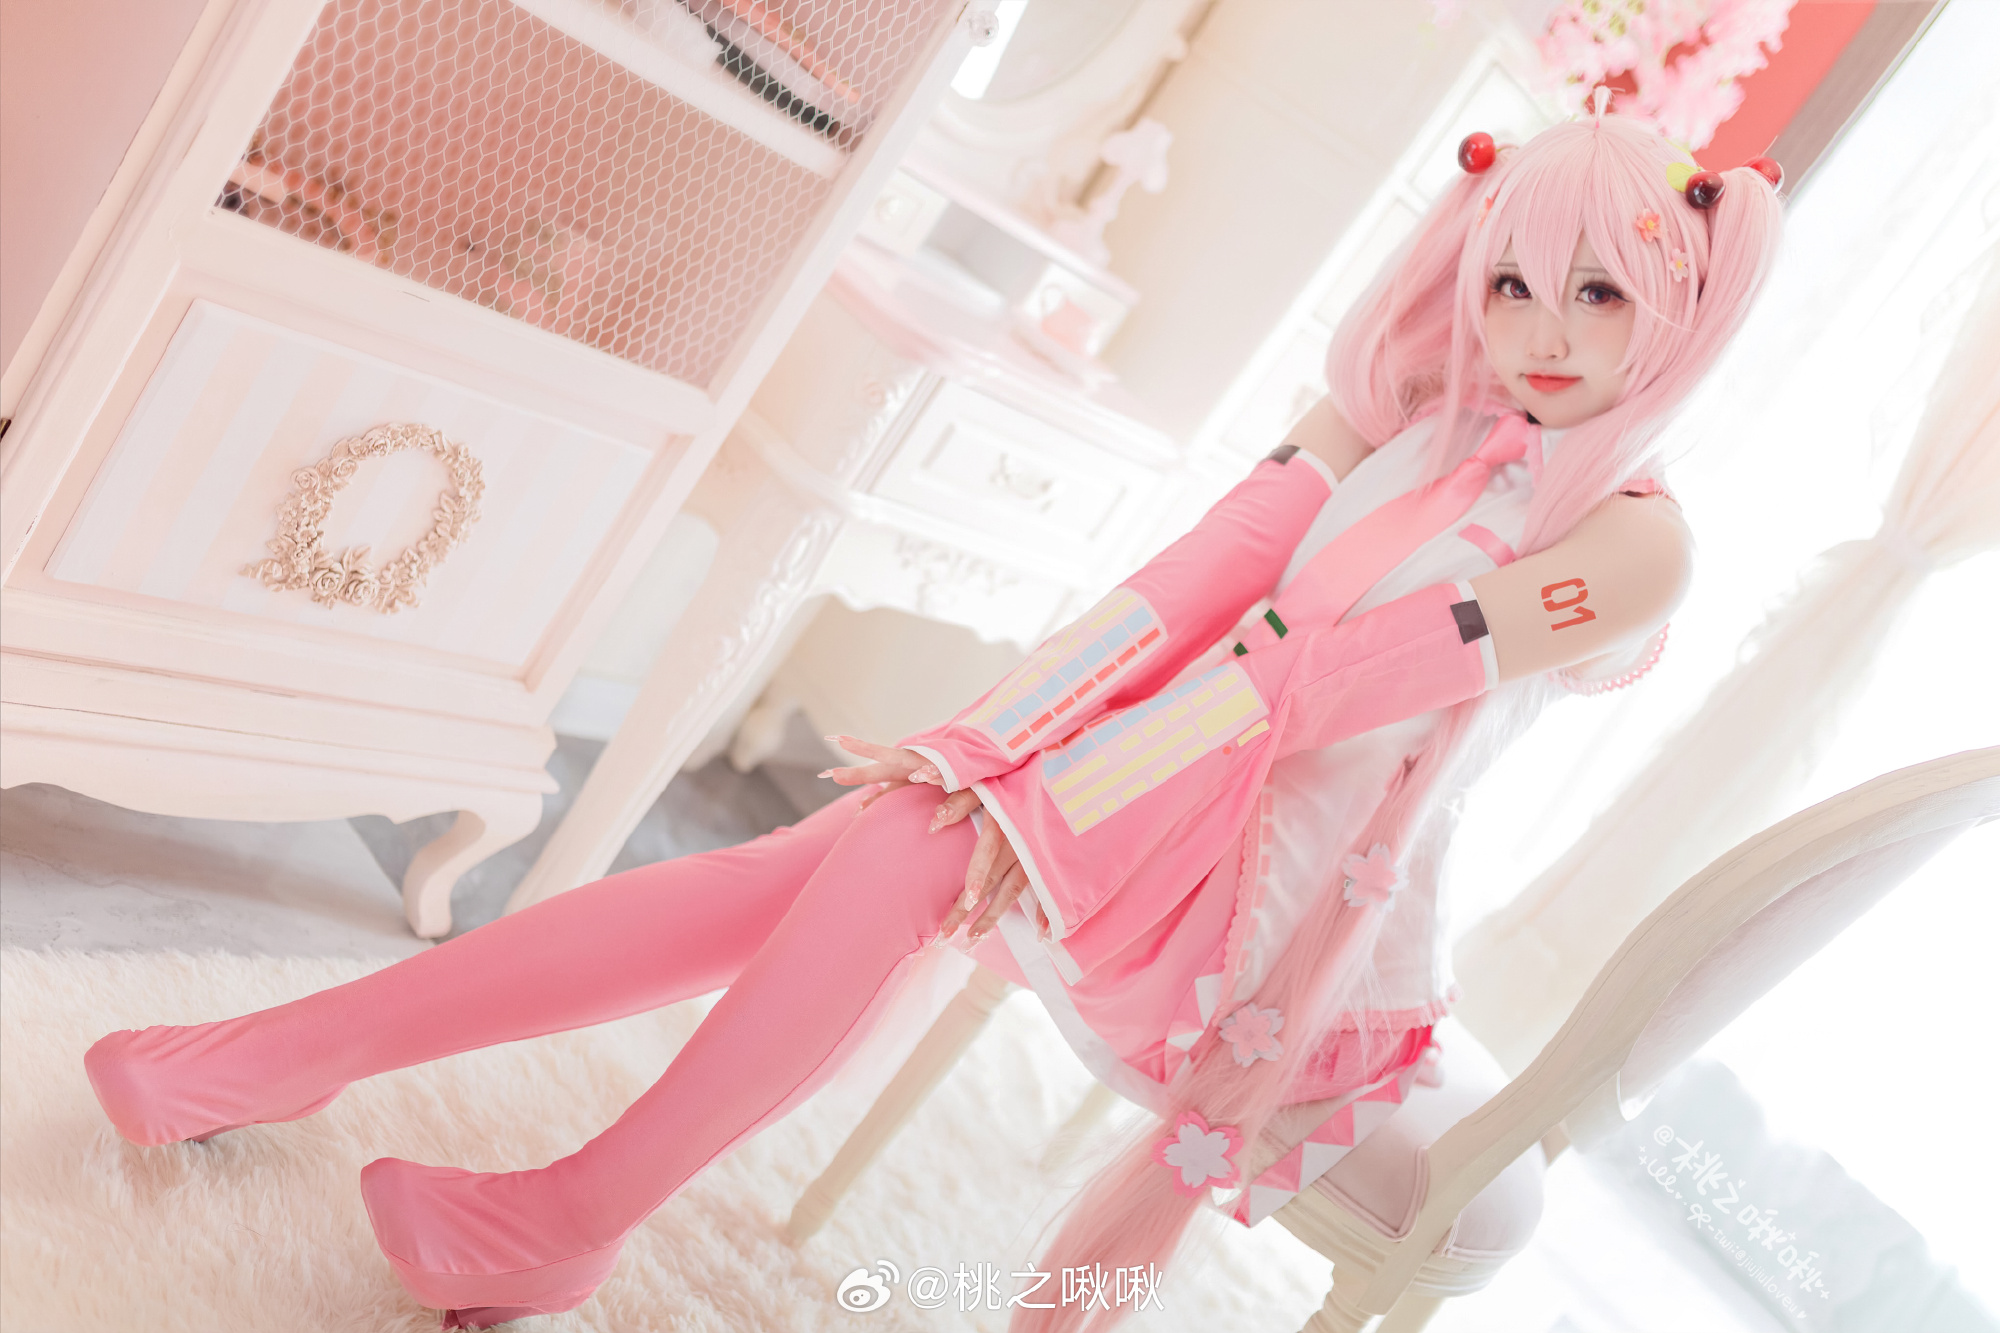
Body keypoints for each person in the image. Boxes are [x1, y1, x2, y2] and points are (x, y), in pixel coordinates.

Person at [82, 106, 1782, 1331]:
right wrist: (993, 737)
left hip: (1268, 908)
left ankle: (517, 1182)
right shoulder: (1410, 423)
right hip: (1155, 785)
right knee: (846, 851)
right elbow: (1204, 577)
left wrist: (1046, 794)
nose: (1540, 334)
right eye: (1511, 285)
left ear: (1680, 304)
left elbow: (1326, 678)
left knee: (894, 856)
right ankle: (365, 1098)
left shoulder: (1635, 544)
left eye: (1600, 295)